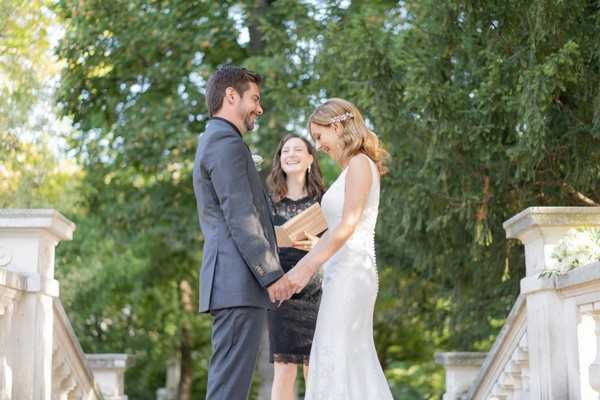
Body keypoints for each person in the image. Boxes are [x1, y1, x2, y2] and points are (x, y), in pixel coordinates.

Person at [192, 65, 296, 400]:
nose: (259, 108)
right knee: (228, 389)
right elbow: (240, 215)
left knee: (230, 386)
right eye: (255, 98)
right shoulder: (225, 143)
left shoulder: (218, 141)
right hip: (237, 282)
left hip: (233, 283)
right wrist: (271, 274)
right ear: (231, 96)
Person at [286, 98, 394, 399]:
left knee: (335, 354)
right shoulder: (352, 169)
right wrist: (319, 244)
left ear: (337, 126)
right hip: (342, 273)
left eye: (319, 136)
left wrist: (305, 266)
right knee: (342, 357)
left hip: (352, 275)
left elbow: (348, 227)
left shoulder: (360, 163)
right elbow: (348, 229)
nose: (318, 145)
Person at [265, 134, 325, 400]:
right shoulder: (268, 202)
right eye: (285, 150)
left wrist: (317, 245)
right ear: (280, 160)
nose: (290, 154)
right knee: (284, 369)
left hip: (317, 291)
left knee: (316, 369)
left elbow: (341, 243)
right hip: (281, 290)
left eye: (298, 149)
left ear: (310, 158)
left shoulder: (324, 200)